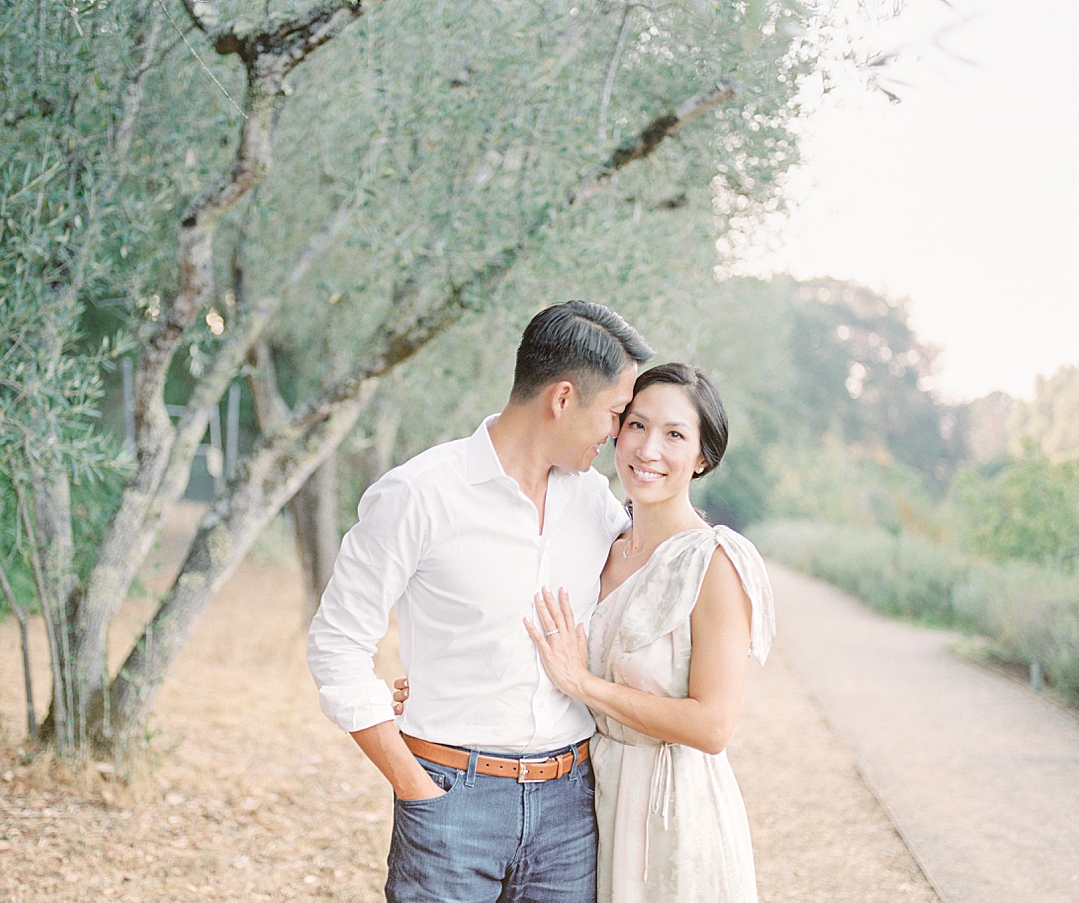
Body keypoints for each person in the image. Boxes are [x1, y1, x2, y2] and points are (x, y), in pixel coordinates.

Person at [306, 300, 655, 902]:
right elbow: (337, 646)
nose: (619, 434)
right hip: (449, 802)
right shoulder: (419, 495)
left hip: (570, 806)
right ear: (563, 399)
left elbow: (659, 566)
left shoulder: (595, 501)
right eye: (616, 413)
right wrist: (414, 787)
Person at [523, 362, 775, 902]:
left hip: (675, 811)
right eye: (636, 425)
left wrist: (584, 685)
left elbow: (712, 726)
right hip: (590, 801)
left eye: (675, 434)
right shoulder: (599, 542)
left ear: (703, 457)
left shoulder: (713, 562)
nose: (648, 449)